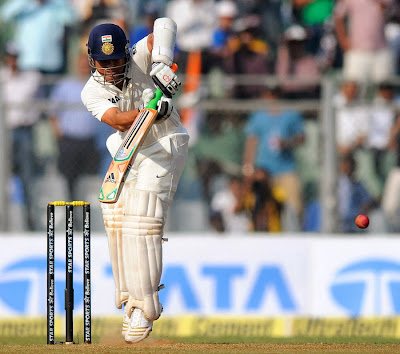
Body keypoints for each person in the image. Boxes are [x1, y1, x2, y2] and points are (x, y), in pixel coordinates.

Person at [81, 21, 189, 343]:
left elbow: (165, 26)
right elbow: (116, 120)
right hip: (129, 150)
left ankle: (146, 306)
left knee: (142, 219)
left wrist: (160, 63)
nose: (112, 68)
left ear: (126, 54)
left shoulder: (140, 57)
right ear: (92, 60)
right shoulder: (92, 91)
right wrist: (150, 109)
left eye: (116, 61)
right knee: (115, 217)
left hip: (164, 146)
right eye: (104, 62)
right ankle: (130, 297)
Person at [242, 86, 305, 231]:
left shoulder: (291, 114)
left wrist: (287, 142)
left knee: (294, 206)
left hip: (286, 169)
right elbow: (252, 142)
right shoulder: (258, 116)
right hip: (264, 170)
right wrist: (248, 167)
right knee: (258, 204)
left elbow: (301, 137)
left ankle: (295, 233)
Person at [49, 53, 101, 200]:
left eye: (87, 63)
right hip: (69, 141)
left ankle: (86, 218)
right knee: (69, 182)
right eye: (81, 62)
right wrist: (58, 134)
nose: (84, 66)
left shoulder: (98, 85)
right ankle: (72, 219)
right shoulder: (65, 85)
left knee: (88, 183)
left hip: (89, 142)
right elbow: (53, 112)